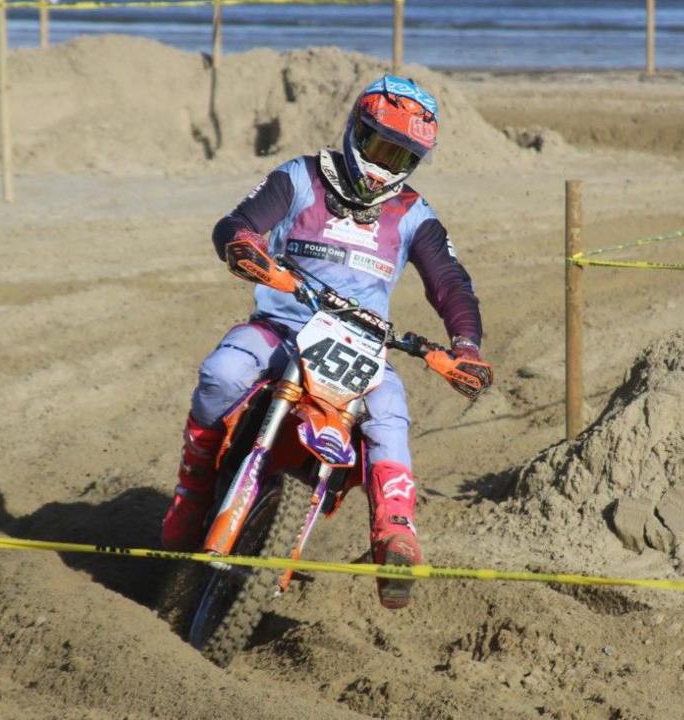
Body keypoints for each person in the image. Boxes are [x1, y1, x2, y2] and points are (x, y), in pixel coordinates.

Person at [160, 75, 491, 609]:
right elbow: (238, 223)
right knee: (224, 371)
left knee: (388, 410)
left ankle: (395, 536)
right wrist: (243, 244)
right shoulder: (302, 177)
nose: (385, 164)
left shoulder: (414, 215)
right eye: (379, 145)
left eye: (401, 156)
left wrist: (466, 346)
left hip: (359, 346)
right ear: (355, 131)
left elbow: (450, 282)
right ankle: (193, 490)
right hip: (283, 327)